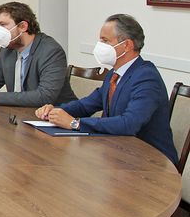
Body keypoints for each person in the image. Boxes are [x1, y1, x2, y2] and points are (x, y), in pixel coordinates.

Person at [35, 14, 178, 165]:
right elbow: (86, 105)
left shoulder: (146, 77)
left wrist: (75, 123)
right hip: (118, 154)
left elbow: (129, 123)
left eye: (105, 41)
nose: (99, 45)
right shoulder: (114, 74)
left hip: (150, 162)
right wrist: (55, 111)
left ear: (127, 45)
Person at [0, 1, 76, 107]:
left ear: (23, 26)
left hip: (57, 113)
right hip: (21, 113)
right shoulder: (7, 49)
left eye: (3, 25)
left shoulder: (51, 51)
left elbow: (45, 96)